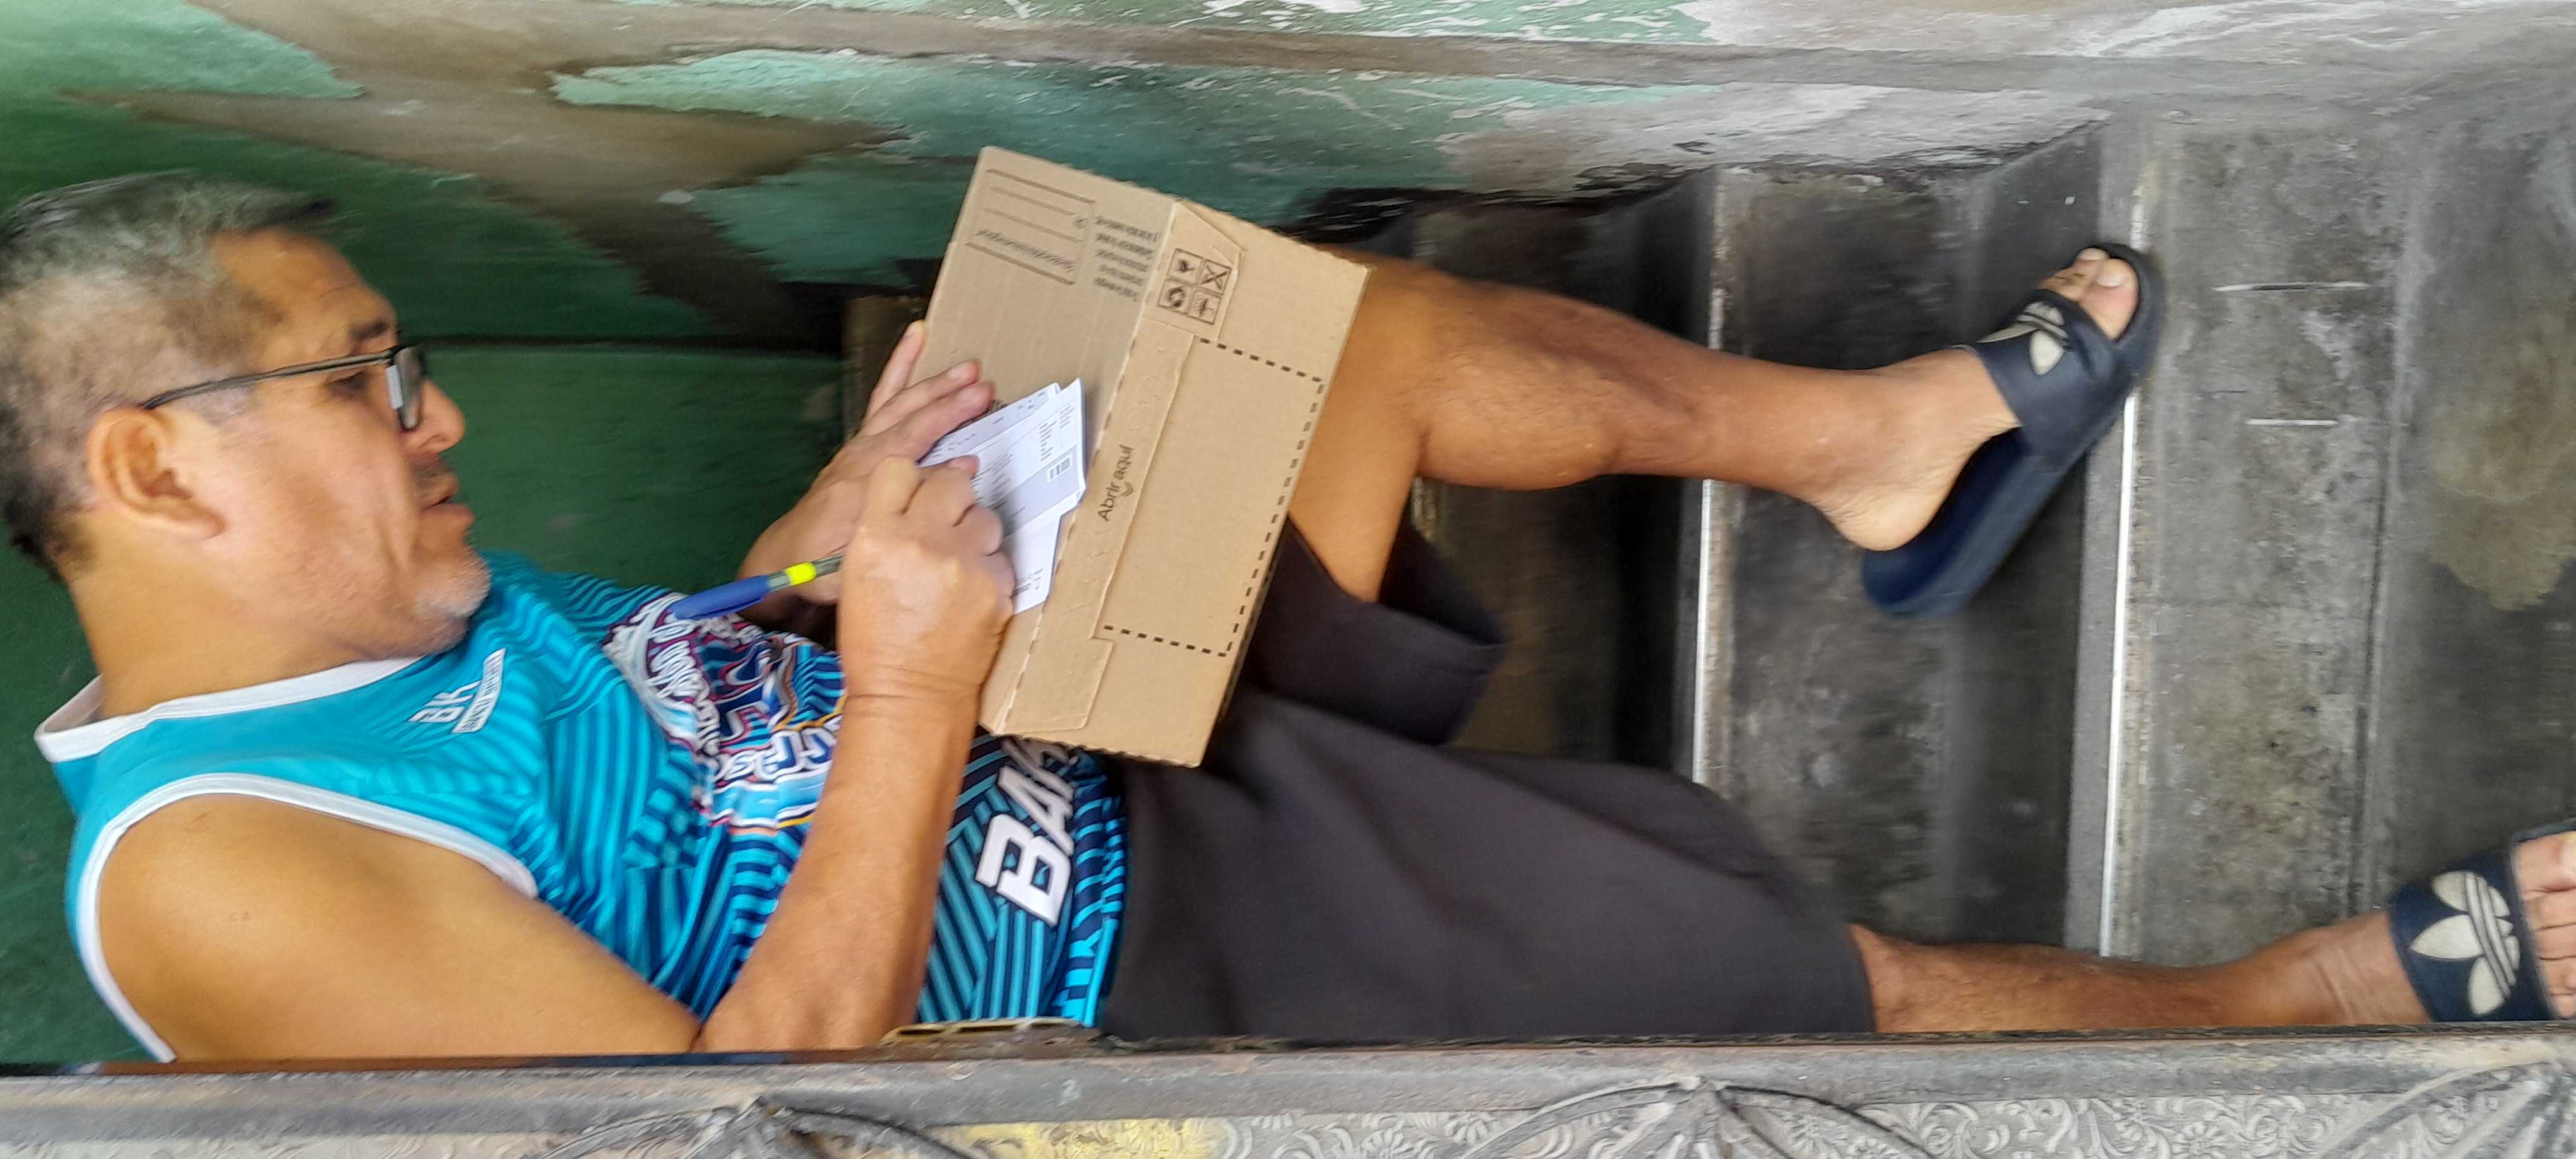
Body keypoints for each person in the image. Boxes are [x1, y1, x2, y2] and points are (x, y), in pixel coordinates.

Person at [6, 172, 2564, 1064]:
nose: (433, 411)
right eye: (368, 376)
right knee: (1794, 983)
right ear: (151, 466)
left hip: (1022, 720)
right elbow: (748, 1115)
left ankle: (1881, 449)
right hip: (1125, 967)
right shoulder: (226, 869)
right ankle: (2293, 1001)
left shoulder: (387, 602)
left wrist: (832, 529)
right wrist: (909, 685)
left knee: (1336, 344)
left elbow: (674, 725)